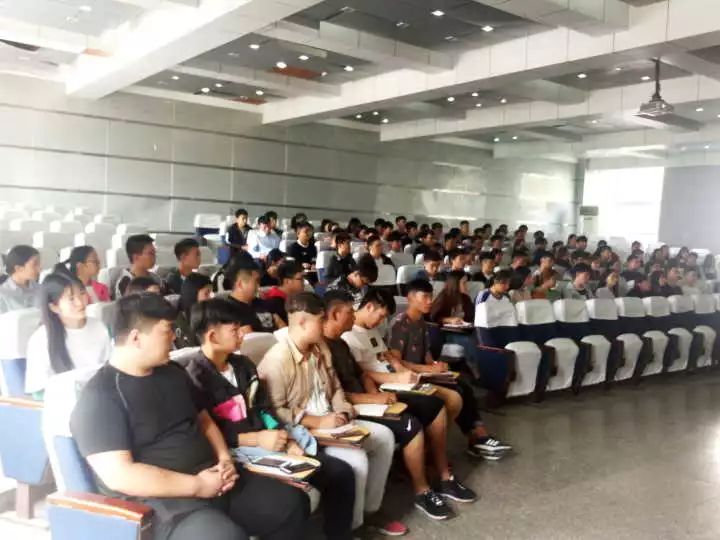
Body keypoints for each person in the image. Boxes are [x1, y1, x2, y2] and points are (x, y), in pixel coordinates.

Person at [70, 294, 309, 540]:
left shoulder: (173, 372)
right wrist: (198, 485)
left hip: (215, 478)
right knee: (225, 537)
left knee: (290, 504)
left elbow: (204, 420)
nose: (174, 337)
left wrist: (224, 458)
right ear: (135, 338)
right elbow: (120, 475)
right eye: (167, 331)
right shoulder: (101, 397)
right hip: (167, 503)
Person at [184, 298, 356, 540]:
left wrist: (283, 437)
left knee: (340, 474)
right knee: (292, 500)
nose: (242, 334)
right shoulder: (195, 378)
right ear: (212, 336)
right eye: (234, 330)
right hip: (235, 454)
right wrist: (256, 439)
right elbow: (209, 432)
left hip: (269, 443)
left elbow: (264, 408)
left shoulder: (243, 365)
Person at [257, 292, 405, 536]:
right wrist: (318, 421)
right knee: (357, 461)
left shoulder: (320, 347)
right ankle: (353, 526)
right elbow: (274, 411)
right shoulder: (277, 360)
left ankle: (370, 511)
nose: (325, 324)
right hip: (306, 430)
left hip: (333, 420)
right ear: (302, 322)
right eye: (320, 320)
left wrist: (343, 409)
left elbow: (335, 387)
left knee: (385, 437)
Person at [323, 290, 474, 521]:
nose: (353, 316)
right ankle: (422, 491)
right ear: (334, 314)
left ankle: (443, 476)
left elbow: (362, 374)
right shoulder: (325, 349)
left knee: (436, 405)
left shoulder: (340, 343)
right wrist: (374, 397)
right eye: (349, 312)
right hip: (355, 405)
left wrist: (376, 392)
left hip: (372, 396)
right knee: (411, 424)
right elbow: (336, 395)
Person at [390, 279, 512, 459]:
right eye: (425, 297)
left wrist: (436, 365)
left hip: (425, 373)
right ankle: (476, 438)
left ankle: (478, 437)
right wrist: (427, 369)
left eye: (431, 296)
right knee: (458, 391)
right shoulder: (399, 324)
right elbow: (396, 361)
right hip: (409, 378)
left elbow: (426, 354)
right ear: (410, 298)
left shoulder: (422, 323)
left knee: (463, 385)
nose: (429, 301)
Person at [25, 273, 111, 398]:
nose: (80, 302)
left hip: (100, 397)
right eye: (71, 299)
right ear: (54, 307)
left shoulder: (99, 327)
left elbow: (110, 369)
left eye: (82, 293)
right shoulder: (40, 340)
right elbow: (39, 392)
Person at [225, 256, 285, 333]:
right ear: (240, 284)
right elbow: (251, 338)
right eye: (256, 281)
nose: (258, 286)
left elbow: (283, 329)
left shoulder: (263, 304)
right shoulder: (228, 312)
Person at [115, 234, 163, 298]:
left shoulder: (156, 279)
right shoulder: (124, 282)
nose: (154, 257)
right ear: (136, 257)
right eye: (151, 253)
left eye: (154, 253)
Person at [175, 273, 213, 348]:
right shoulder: (178, 322)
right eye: (206, 293)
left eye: (211, 293)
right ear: (192, 294)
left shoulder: (208, 314)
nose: (210, 298)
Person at [262, 260, 306, 324]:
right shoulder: (275, 303)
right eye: (300, 279)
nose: (303, 282)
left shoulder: (292, 298)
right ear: (287, 281)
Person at [0, 245, 41, 314]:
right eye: (35, 264)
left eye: (39, 264)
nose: (40, 268)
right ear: (18, 268)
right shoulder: (3, 295)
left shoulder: (41, 289)